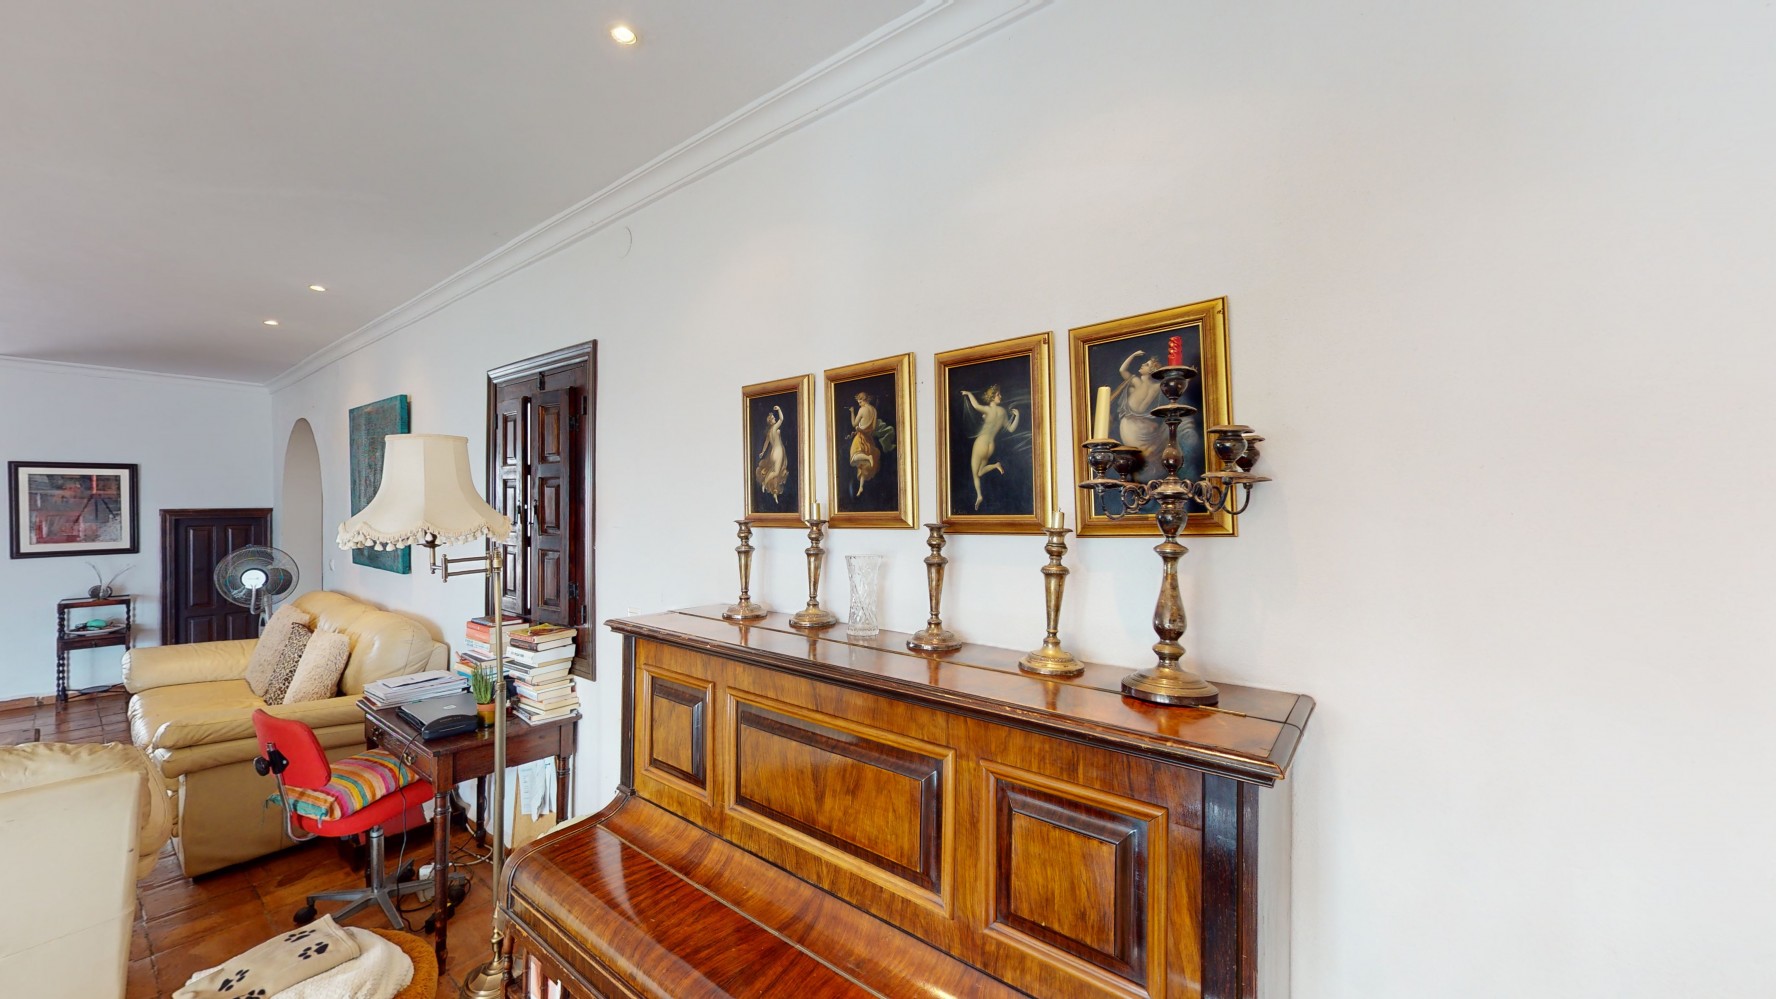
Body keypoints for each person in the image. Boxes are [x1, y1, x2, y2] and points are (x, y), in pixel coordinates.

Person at [960, 385, 1020, 510]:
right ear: (992, 397)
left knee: (975, 474)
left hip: (981, 443)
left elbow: (976, 405)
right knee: (980, 472)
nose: (1000, 396)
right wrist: (1017, 416)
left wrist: (968, 393)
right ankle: (995, 465)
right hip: (991, 446)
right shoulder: (1002, 412)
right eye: (998, 394)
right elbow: (1011, 429)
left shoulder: (988, 410)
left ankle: (979, 495)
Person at [847, 391, 881, 497]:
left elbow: (854, 424)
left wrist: (852, 412)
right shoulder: (874, 410)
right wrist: (862, 429)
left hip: (861, 437)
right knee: (862, 466)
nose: (859, 404)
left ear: (864, 400)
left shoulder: (862, 410)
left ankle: (868, 457)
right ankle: (861, 487)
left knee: (853, 458)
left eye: (860, 401)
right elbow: (873, 427)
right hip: (869, 438)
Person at [755, 405, 788, 504]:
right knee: (776, 472)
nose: (775, 419)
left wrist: (763, 452)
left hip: (773, 452)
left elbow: (766, 443)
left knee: (777, 473)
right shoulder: (774, 428)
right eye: (773, 418)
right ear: (771, 422)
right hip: (778, 451)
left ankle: (775, 492)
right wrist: (779, 409)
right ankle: (764, 482)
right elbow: (781, 419)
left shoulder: (769, 432)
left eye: (774, 418)